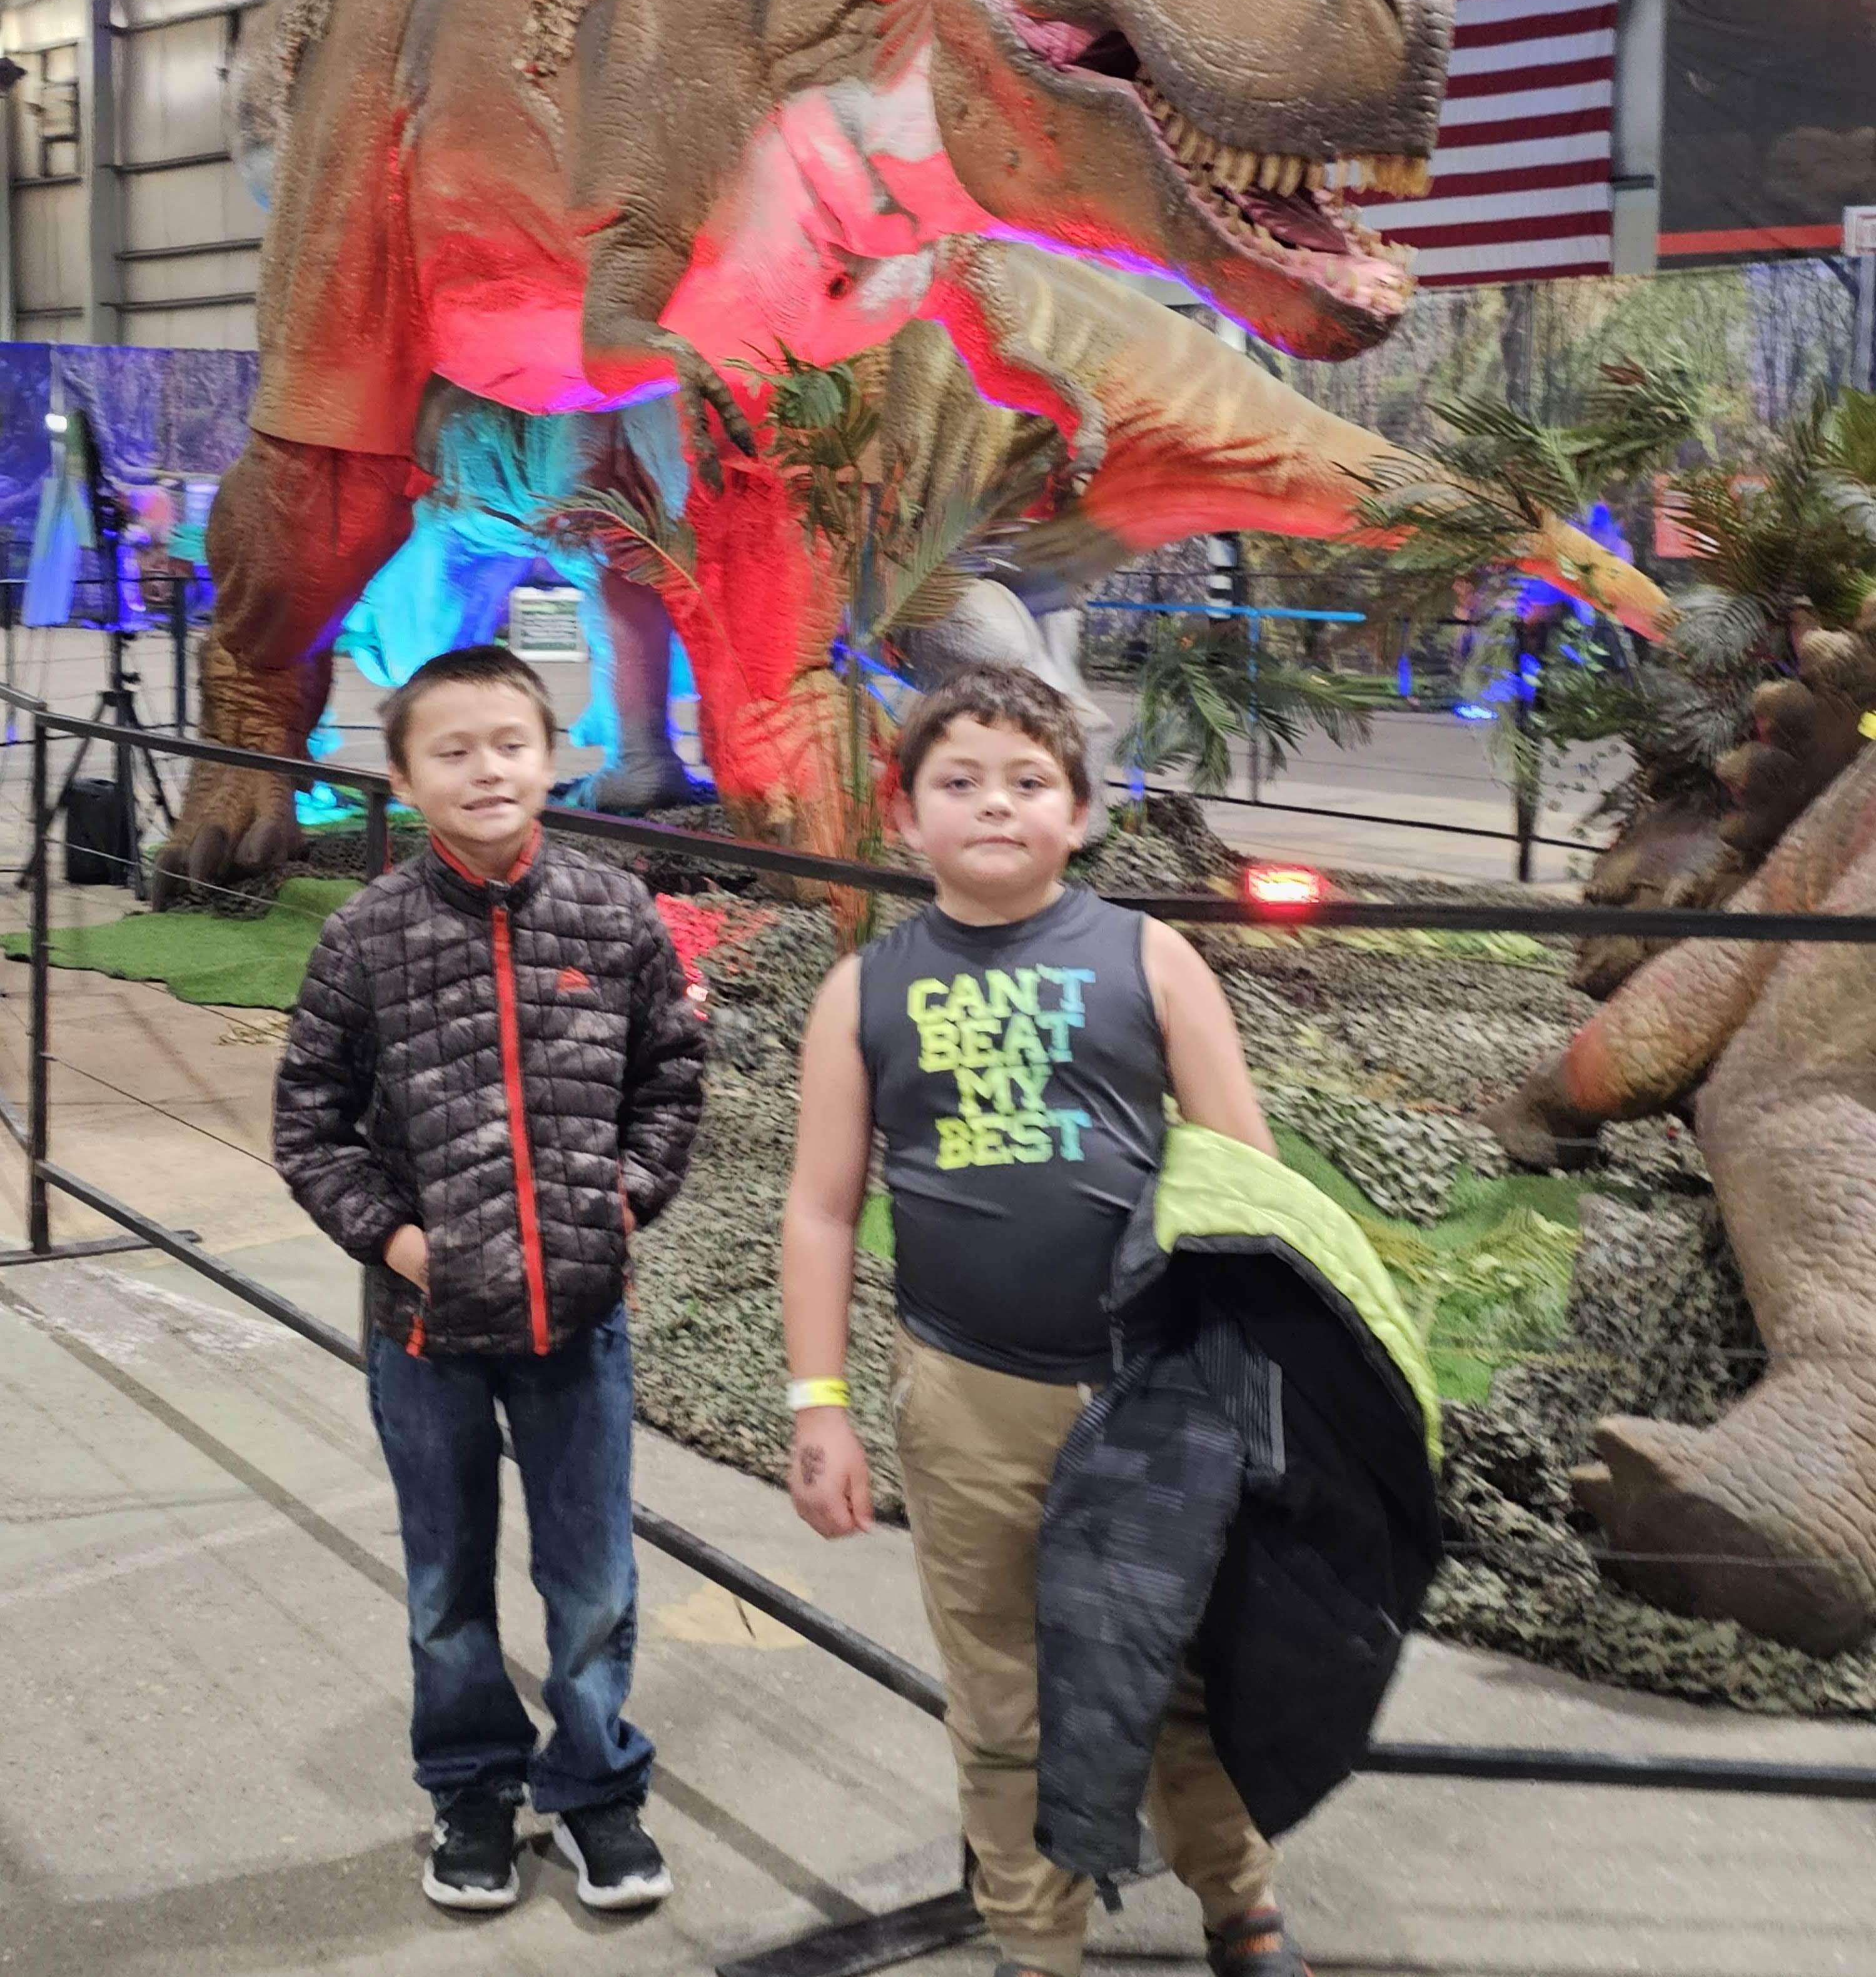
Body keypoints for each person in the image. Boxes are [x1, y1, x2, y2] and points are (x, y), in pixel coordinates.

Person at [781, 663, 1309, 1977]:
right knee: (1001, 1690)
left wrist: (1274, 1376)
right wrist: (819, 1403)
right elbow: (821, 1211)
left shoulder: (1152, 958)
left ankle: (1241, 1905)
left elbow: (1248, 1179)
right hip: (969, 1398)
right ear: (905, 814)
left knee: (1182, 1670)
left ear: (1079, 812)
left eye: (1029, 780)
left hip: (1158, 1392)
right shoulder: (863, 991)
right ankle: (1036, 1942)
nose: (995, 804)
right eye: (959, 781)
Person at [274, 643, 707, 1916]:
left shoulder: (613, 913)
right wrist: (399, 1244)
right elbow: (309, 1124)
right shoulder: (365, 935)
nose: (486, 770)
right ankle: (471, 1786)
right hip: (425, 1331)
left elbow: (672, 1079)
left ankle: (596, 1783)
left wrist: (622, 1201)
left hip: (580, 1319)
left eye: (509, 744)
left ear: (551, 758)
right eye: (452, 751)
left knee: (593, 1578)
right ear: (406, 778)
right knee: (444, 1578)